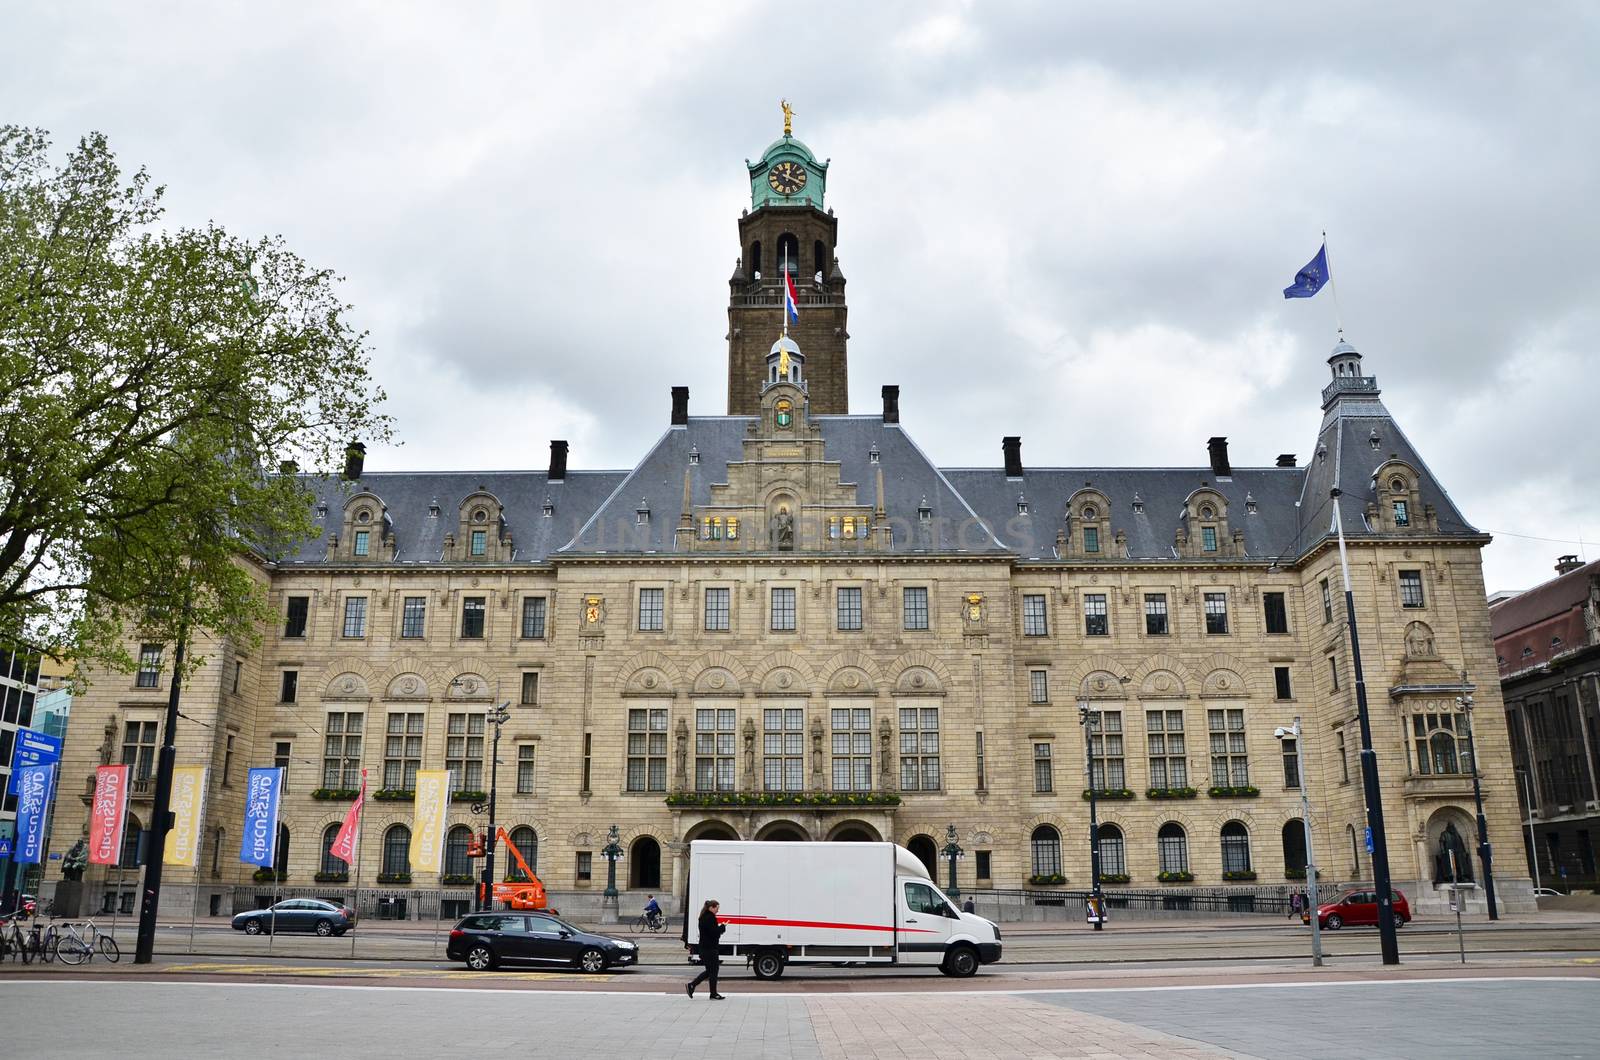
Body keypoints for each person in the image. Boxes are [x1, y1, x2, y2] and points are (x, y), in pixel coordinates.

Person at [686, 898, 726, 1000]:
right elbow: (714, 933)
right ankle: (712, 993)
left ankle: (692, 985)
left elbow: (710, 932)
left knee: (710, 971)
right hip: (710, 948)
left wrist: (719, 929)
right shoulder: (710, 917)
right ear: (711, 907)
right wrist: (722, 927)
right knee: (713, 970)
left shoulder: (704, 916)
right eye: (717, 908)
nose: (718, 910)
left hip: (705, 948)